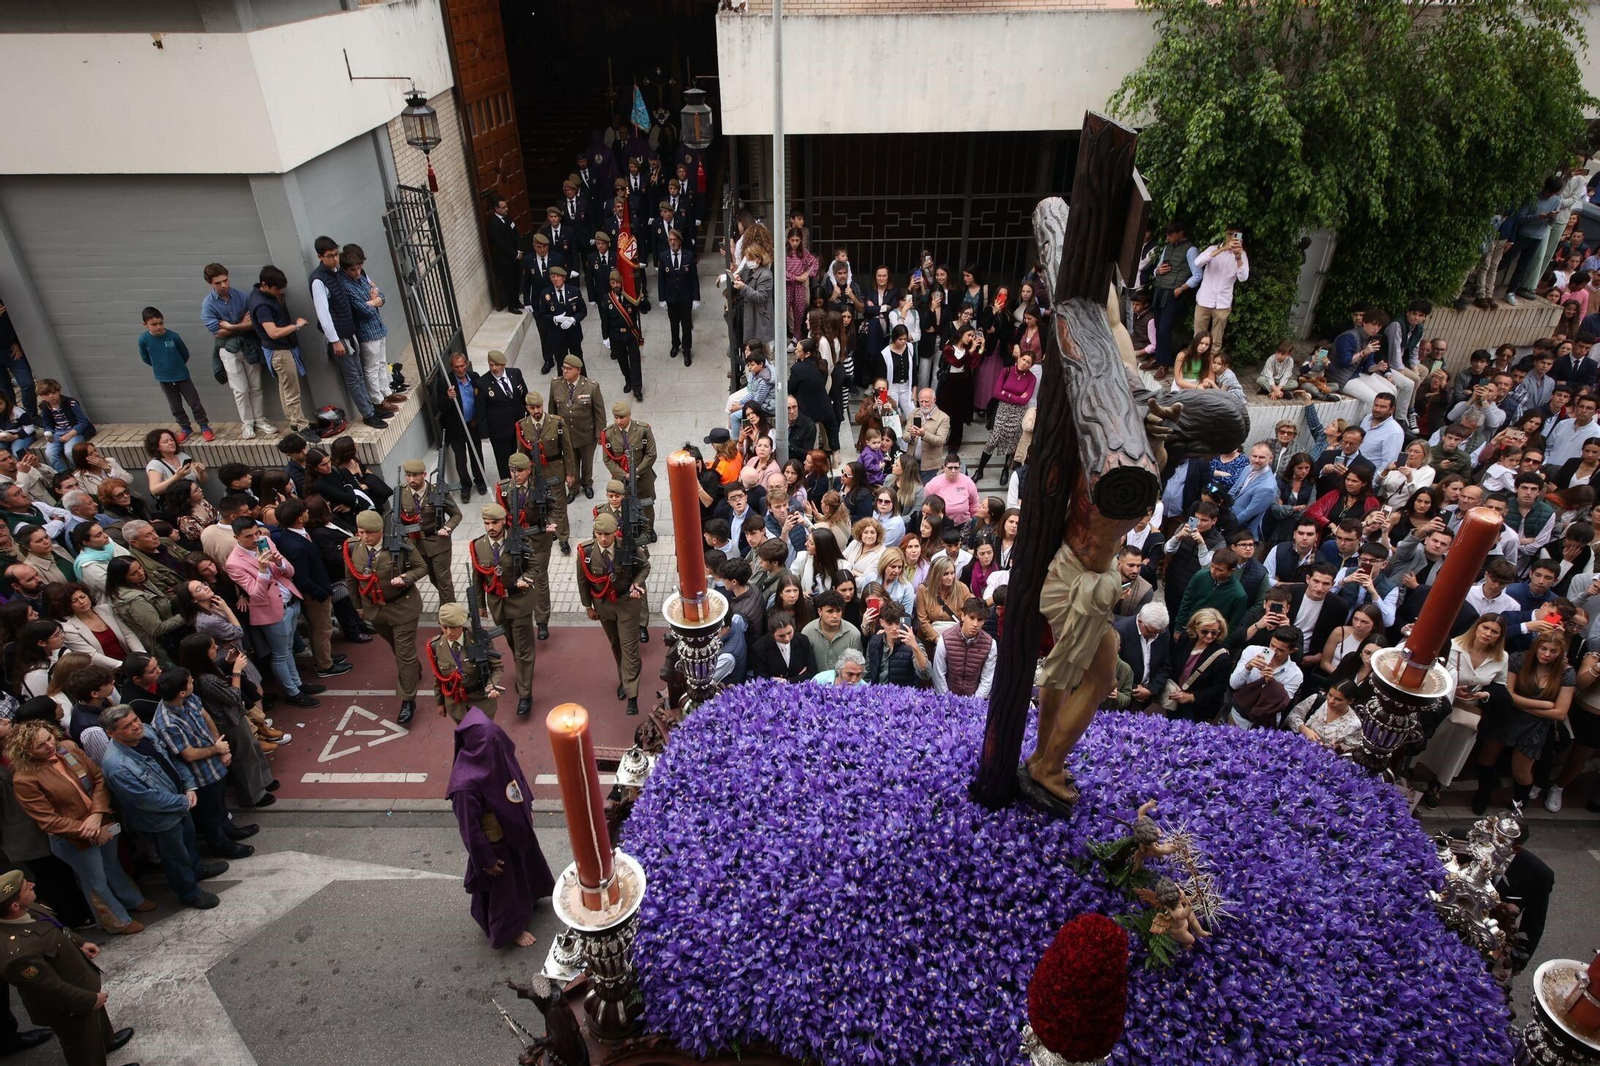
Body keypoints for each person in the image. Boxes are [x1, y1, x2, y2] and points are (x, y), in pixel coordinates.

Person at [7, 721, 150, 935]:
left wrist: (97, 814)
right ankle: (116, 921)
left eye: (49, 738)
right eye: (40, 746)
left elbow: (100, 779)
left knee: (111, 865)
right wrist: (90, 828)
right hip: (73, 838)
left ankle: (132, 899)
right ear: (25, 752)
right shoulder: (25, 778)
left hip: (100, 820)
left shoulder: (68, 749)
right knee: (95, 880)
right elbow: (49, 820)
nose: (49, 745)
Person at [0, 870, 136, 1066]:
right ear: (14, 906)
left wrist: (80, 943)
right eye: (25, 887)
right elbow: (51, 989)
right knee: (82, 1047)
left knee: (96, 1023)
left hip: (79, 980)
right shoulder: (16, 953)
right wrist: (89, 1000)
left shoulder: (28, 908)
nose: (31, 884)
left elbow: (55, 927)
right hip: (67, 1004)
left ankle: (106, 1042)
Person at [97, 704, 224, 911]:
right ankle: (189, 893)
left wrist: (189, 785)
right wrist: (182, 801)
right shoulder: (117, 766)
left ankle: (196, 869)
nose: (137, 726)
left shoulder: (146, 732)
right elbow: (146, 799)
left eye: (136, 719)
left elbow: (172, 760)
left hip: (181, 801)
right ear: (111, 733)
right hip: (161, 818)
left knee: (188, 841)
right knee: (175, 857)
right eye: (127, 726)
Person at [447, 707, 553, 951]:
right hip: (495, 844)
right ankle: (510, 929)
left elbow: (517, 780)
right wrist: (486, 860)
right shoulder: (464, 785)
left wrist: (527, 807)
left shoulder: (494, 755)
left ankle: (530, 899)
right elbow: (470, 830)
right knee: (504, 888)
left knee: (525, 870)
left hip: (515, 829)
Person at [1472, 631, 1574, 812]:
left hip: (1535, 725)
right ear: (1536, 647)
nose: (1547, 654)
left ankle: (1519, 800)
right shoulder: (1519, 659)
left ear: (1560, 653)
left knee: (1521, 771)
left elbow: (1560, 713)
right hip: (1506, 717)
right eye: (1543, 649)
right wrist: (1545, 705)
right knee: (1486, 758)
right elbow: (1508, 696)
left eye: (1553, 651)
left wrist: (1522, 705)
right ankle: (1483, 794)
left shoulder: (1566, 672)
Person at [343, 511, 426, 725]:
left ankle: (408, 700)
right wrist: (357, 607)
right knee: (396, 647)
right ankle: (414, 669)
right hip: (375, 610)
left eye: (369, 533)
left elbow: (421, 567)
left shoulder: (400, 544)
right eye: (361, 532)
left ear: (381, 531)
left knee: (404, 653)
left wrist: (407, 577)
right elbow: (351, 579)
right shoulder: (352, 547)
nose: (364, 537)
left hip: (402, 607)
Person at [576, 513, 649, 715]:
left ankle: (632, 694)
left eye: (607, 534)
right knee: (616, 645)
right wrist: (587, 606)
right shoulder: (586, 552)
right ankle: (624, 679)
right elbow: (583, 580)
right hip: (604, 605)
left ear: (614, 532)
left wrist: (636, 583)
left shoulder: (627, 546)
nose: (603, 539)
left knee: (629, 648)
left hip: (627, 603)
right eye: (599, 534)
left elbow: (644, 566)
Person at [310, 236, 384, 430]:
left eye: (336, 254)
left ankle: (372, 409)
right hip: (340, 337)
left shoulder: (336, 273)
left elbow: (372, 286)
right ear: (320, 256)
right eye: (330, 256)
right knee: (353, 377)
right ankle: (368, 414)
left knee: (360, 373)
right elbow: (323, 313)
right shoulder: (318, 280)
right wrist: (335, 341)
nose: (335, 259)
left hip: (350, 331)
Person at [200, 264, 272, 439]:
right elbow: (216, 331)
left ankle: (260, 419)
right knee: (239, 389)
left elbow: (253, 323)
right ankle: (247, 423)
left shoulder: (242, 296)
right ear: (211, 284)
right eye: (218, 282)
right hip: (228, 349)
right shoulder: (208, 303)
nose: (224, 285)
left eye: (225, 280)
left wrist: (231, 326)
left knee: (256, 386)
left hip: (248, 345)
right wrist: (241, 325)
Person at [245, 265, 316, 439]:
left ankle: (294, 421)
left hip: (281, 349)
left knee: (286, 387)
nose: (280, 292)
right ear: (264, 284)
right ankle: (301, 425)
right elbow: (273, 333)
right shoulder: (261, 305)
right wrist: (296, 326)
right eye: (277, 289)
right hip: (279, 351)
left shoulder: (263, 295)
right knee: (292, 390)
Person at [136, 308, 212, 443]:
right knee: (175, 405)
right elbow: (145, 358)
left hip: (182, 376)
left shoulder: (173, 336)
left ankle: (204, 427)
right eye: (154, 324)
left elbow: (184, 354)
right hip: (164, 378)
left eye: (161, 323)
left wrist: (177, 367)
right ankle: (185, 428)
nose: (159, 327)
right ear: (145, 325)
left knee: (194, 402)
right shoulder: (144, 339)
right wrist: (161, 368)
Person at [428, 602, 503, 721]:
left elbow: (497, 667)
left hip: (481, 702)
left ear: (462, 625)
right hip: (456, 705)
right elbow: (438, 677)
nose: (448, 632)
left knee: (484, 738)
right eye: (444, 627)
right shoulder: (435, 645)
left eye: (453, 627)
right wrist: (440, 703)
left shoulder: (479, 641)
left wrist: (491, 685)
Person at [548, 355, 605, 500]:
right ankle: (573, 489)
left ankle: (587, 484)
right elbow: (552, 410)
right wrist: (552, 430)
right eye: (564, 368)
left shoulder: (591, 387)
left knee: (587, 462)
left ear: (578, 370)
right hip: (566, 435)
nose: (565, 371)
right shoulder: (556, 384)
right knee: (570, 462)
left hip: (586, 433)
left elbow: (599, 412)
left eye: (569, 369)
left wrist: (600, 434)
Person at [974, 351, 1036, 484]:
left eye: (1028, 362)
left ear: (1031, 366)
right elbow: (997, 392)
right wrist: (1015, 397)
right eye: (1023, 359)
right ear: (1019, 358)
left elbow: (1024, 401)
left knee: (1012, 441)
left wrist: (1006, 394)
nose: (1024, 363)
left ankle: (1005, 470)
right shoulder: (1006, 371)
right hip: (1002, 409)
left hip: (1018, 413)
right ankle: (979, 470)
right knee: (993, 440)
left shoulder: (1031, 378)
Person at [436, 351, 487, 499]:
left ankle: (480, 481)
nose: (460, 369)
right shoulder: (445, 382)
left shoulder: (475, 377)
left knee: (476, 454)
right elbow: (440, 407)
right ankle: (466, 485)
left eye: (462, 365)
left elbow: (481, 400)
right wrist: (448, 398)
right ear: (452, 367)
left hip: (473, 425)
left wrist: (478, 417)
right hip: (456, 428)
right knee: (460, 460)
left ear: (467, 364)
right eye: (456, 367)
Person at [600, 401, 658, 528]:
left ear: (629, 415)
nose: (619, 421)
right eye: (616, 418)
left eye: (622, 417)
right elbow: (607, 459)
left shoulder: (643, 430)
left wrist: (636, 472)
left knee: (646, 506)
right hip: (621, 481)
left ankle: (649, 529)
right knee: (624, 507)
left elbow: (651, 454)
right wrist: (624, 475)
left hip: (642, 478)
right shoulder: (608, 433)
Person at [930, 597, 997, 697]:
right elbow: (939, 675)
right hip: (947, 698)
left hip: (975, 700)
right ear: (963, 616)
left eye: (980, 620)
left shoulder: (990, 644)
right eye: (972, 618)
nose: (975, 624)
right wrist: (947, 700)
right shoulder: (945, 639)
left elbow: (987, 679)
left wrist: (974, 703)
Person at [479, 349, 528, 482]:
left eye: (497, 365)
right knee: (503, 460)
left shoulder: (515, 373)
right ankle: (508, 484)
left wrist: (529, 415)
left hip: (519, 424)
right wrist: (484, 433)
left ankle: (522, 479)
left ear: (504, 364)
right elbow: (481, 410)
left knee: (521, 455)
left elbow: (525, 395)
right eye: (491, 365)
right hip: (499, 430)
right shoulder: (483, 382)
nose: (494, 368)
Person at [601, 269, 647, 403]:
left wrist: (641, 296)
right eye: (613, 282)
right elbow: (605, 320)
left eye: (618, 283)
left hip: (631, 334)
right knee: (622, 361)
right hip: (615, 335)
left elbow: (646, 308)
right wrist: (605, 337)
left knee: (635, 361)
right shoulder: (607, 299)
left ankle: (637, 388)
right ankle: (628, 380)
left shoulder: (630, 297)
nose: (616, 285)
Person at [535, 266, 587, 377]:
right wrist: (554, 319)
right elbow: (542, 316)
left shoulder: (574, 291)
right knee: (561, 363)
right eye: (553, 276)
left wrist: (573, 319)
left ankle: (583, 383)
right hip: (557, 336)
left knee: (578, 360)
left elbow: (583, 311)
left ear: (563, 278)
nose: (556, 279)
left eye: (558, 276)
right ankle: (563, 387)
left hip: (573, 333)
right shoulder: (545, 294)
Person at [659, 229, 699, 364]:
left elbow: (694, 278)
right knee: (674, 324)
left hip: (685, 297)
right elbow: (661, 280)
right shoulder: (663, 256)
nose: (672, 242)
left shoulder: (688, 255)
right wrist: (662, 298)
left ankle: (687, 350)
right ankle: (675, 344)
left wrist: (696, 297)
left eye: (675, 239)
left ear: (680, 241)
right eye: (670, 240)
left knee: (686, 325)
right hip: (671, 298)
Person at [748, 609, 817, 682]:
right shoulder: (760, 647)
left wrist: (786, 681)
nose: (787, 638)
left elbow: (811, 672)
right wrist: (798, 677)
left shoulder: (802, 640)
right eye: (781, 636)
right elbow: (761, 679)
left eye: (789, 632)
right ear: (772, 634)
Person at [486, 196, 522, 313]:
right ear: (496, 209)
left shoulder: (508, 219)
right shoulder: (493, 224)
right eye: (503, 207)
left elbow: (516, 234)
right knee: (509, 282)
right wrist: (514, 253)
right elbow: (500, 243)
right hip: (506, 259)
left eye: (506, 206)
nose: (506, 209)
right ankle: (512, 305)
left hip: (516, 255)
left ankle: (517, 301)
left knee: (516, 280)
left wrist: (519, 250)